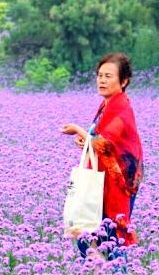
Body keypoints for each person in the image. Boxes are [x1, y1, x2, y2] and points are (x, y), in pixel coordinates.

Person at [61, 52, 144, 261]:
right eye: (100, 75)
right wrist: (85, 141)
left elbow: (106, 143)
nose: (102, 80)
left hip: (117, 185)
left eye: (108, 76)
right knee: (87, 236)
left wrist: (79, 131)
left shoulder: (121, 109)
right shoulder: (107, 106)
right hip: (102, 181)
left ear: (123, 81)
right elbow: (98, 139)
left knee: (112, 237)